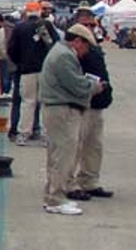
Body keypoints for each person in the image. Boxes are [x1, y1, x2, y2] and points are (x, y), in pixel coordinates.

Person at [37, 24, 105, 214]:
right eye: (85, 46)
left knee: (56, 155)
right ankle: (56, 199)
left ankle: (52, 196)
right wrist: (95, 86)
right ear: (77, 41)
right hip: (63, 111)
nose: (86, 51)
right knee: (63, 156)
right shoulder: (64, 56)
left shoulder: (59, 52)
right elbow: (76, 84)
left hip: (57, 110)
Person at [69, 19, 113, 201]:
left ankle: (89, 180)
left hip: (98, 104)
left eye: (92, 25)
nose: (91, 28)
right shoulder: (76, 52)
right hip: (85, 104)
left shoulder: (94, 49)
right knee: (76, 146)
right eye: (87, 25)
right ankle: (69, 182)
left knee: (94, 146)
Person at [7, 5, 58, 144]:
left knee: (28, 102)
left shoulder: (19, 27)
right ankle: (45, 135)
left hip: (26, 70)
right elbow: (57, 45)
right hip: (46, 69)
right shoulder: (46, 25)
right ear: (39, 11)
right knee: (46, 102)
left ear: (26, 12)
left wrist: (20, 62)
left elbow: (11, 49)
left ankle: (23, 133)